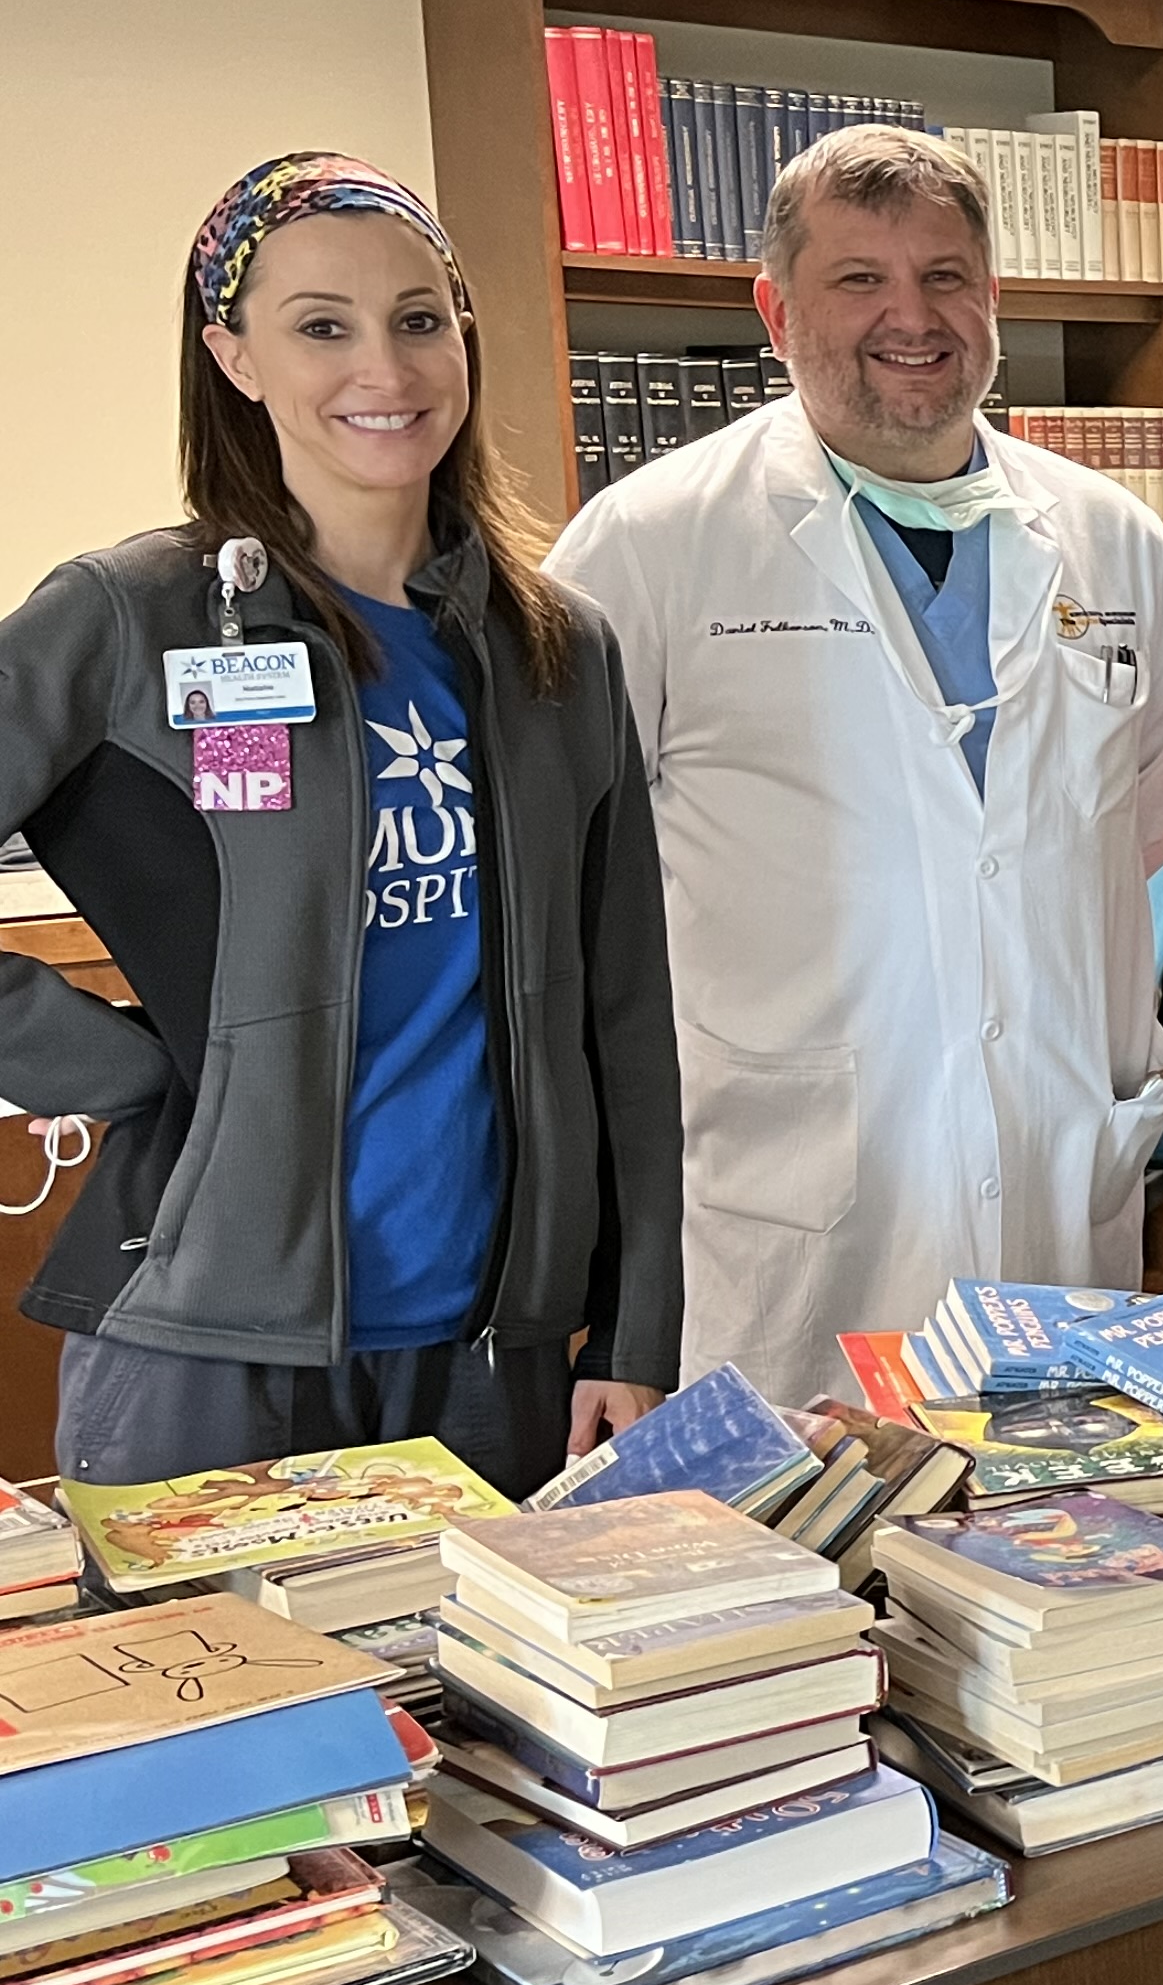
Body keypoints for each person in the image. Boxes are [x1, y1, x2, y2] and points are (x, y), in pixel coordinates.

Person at [0, 154, 678, 1491]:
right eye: (322, 325)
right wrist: (117, 1067)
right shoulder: (133, 617)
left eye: (419, 319)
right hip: (208, 1346)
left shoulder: (561, 648)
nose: (385, 366)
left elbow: (627, 1014)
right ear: (234, 358)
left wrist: (634, 1321)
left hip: (493, 1354)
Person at [554, 126, 1163, 1399]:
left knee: (1061, 1511)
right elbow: (570, 890)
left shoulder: (1113, 542)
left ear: (992, 297)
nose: (912, 318)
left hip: (1052, 1182)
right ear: (776, 311)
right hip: (784, 1209)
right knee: (802, 1513)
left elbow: (1147, 810)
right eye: (860, 279)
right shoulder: (648, 545)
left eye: (945, 276)